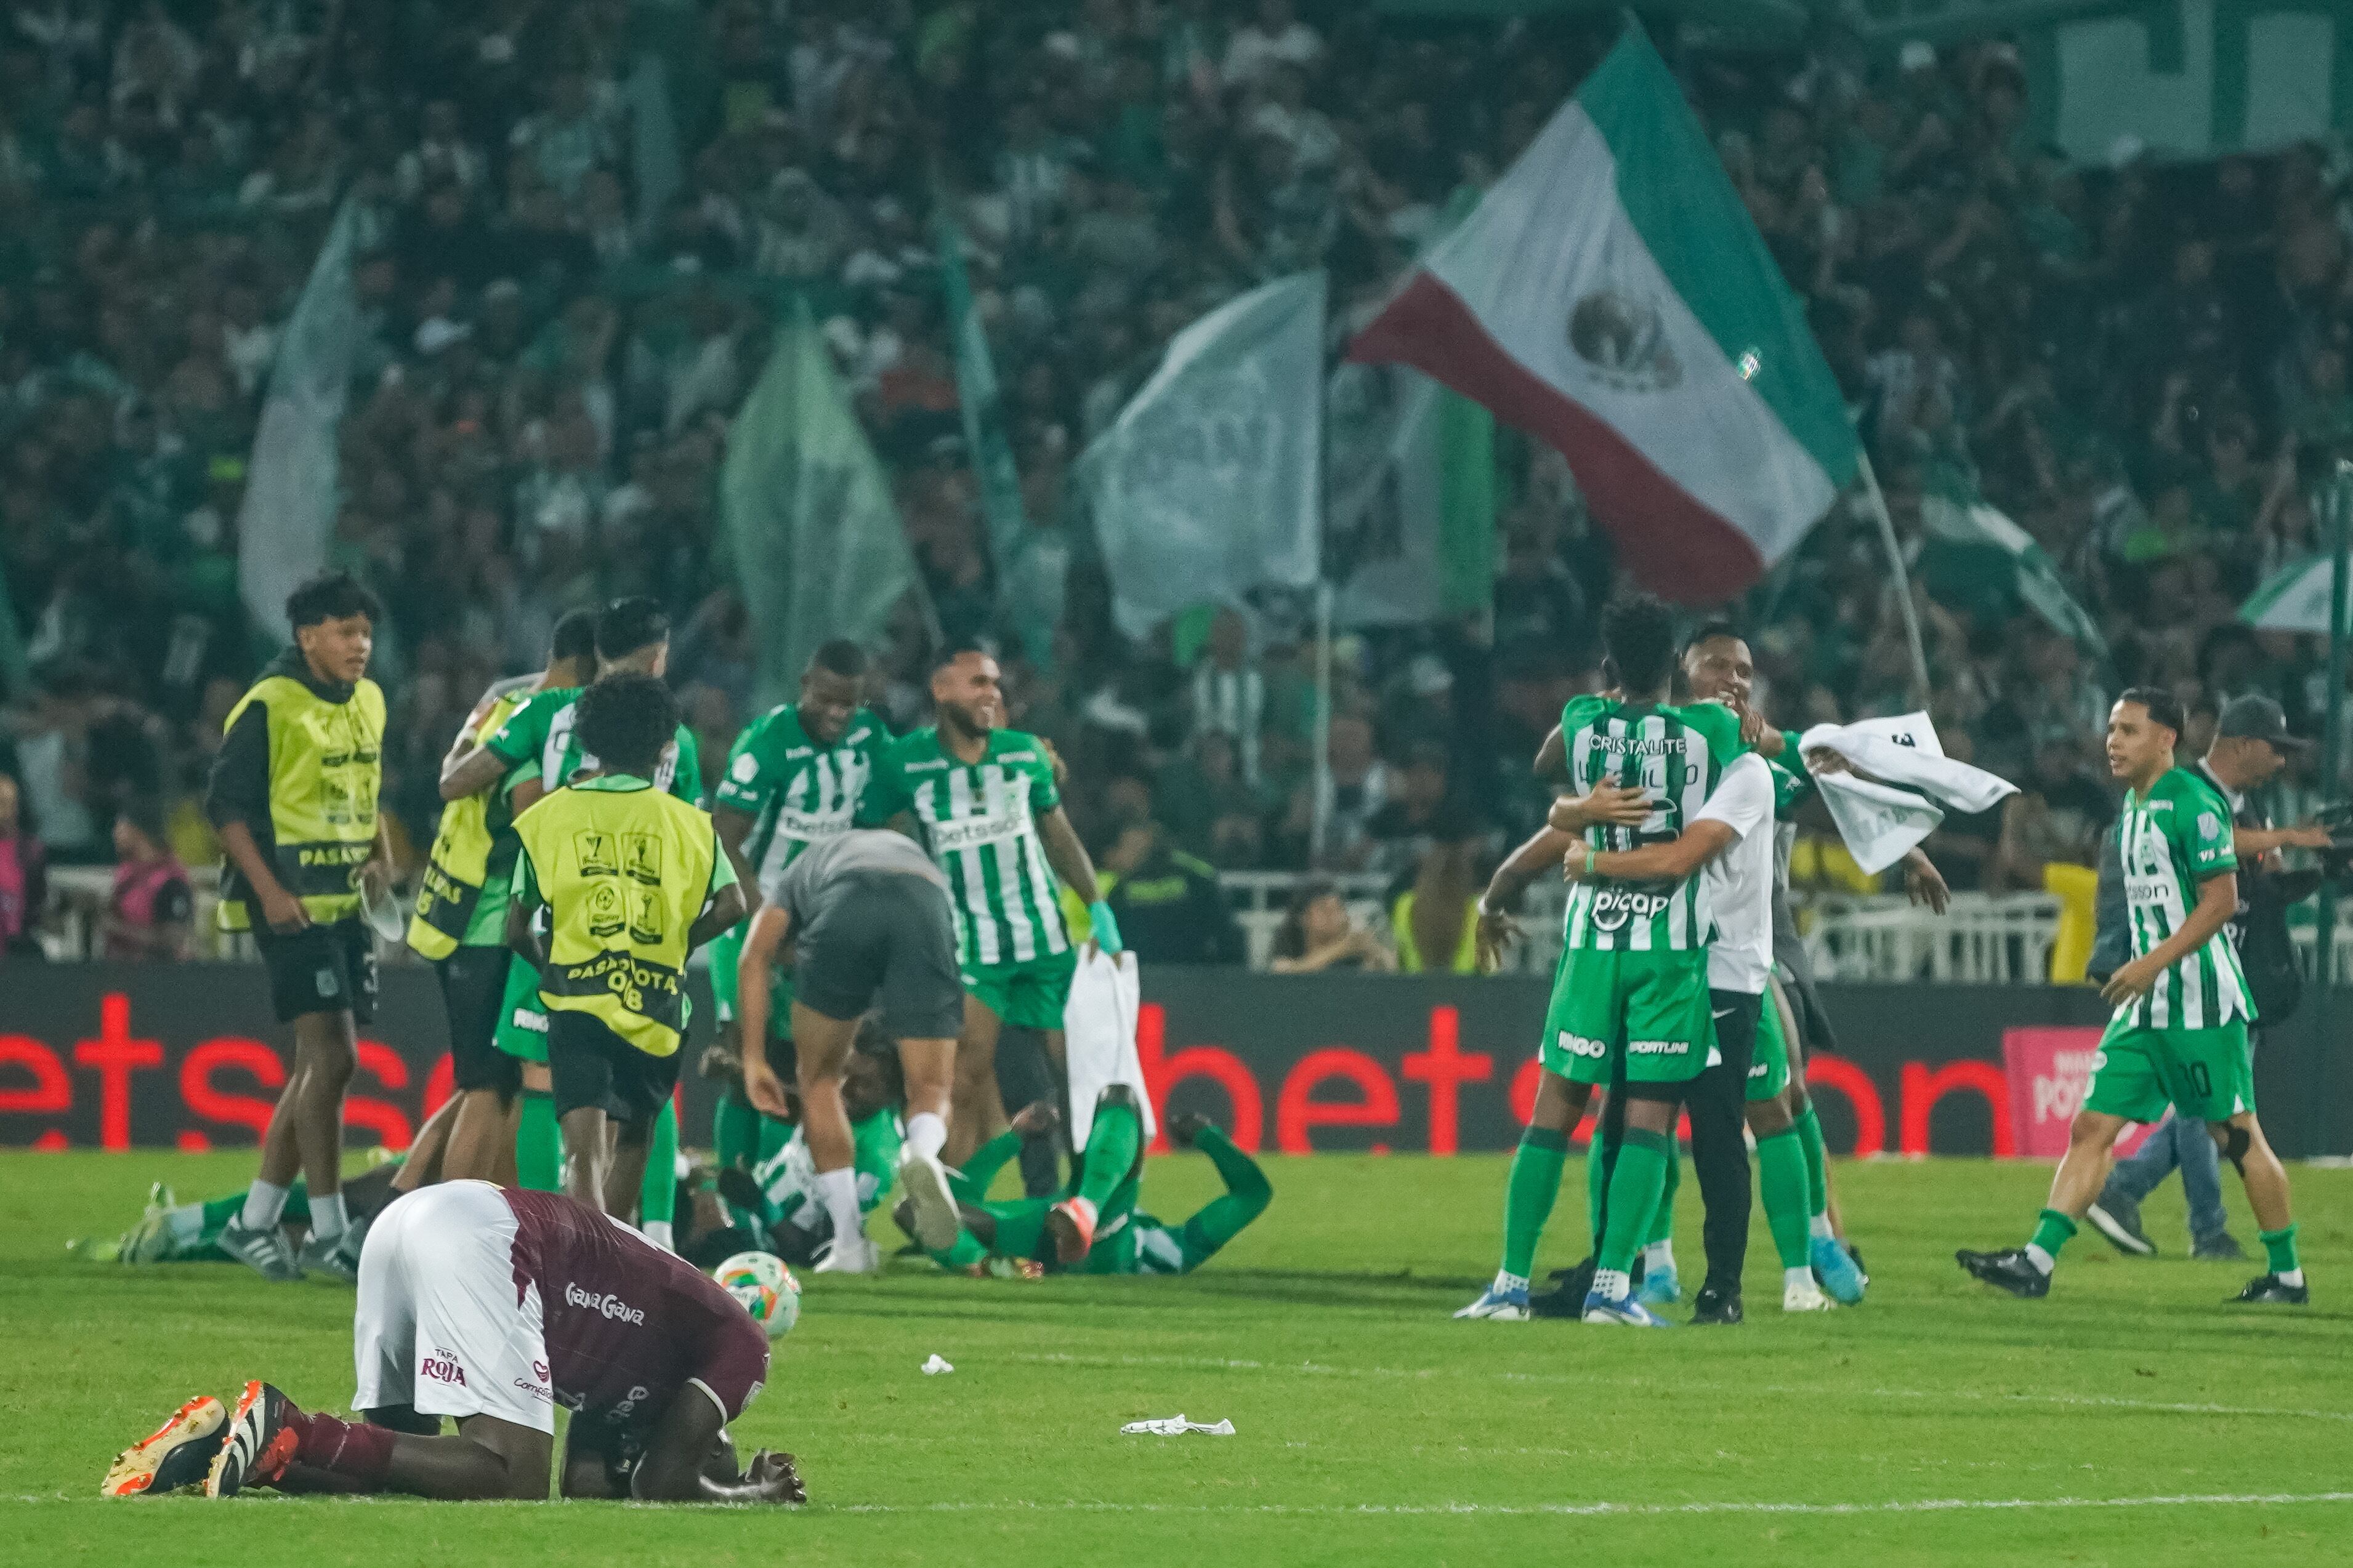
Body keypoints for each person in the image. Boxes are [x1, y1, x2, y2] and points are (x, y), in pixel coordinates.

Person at [102, 1183, 802, 1504]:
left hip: (418, 1223)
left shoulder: (629, 1384)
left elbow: (589, 1483)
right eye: (720, 1444)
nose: (716, 1444)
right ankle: (292, 1427)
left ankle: (234, 1451)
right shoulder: (740, 1343)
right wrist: (746, 1493)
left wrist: (678, 1478)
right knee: (511, 1475)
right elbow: (665, 1480)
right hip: (489, 1238)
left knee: (401, 1475)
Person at [1958, 687, 2308, 1305]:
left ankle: (2286, 1276)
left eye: (2128, 731)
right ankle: (2034, 1262)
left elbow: (2221, 900)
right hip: (2145, 1003)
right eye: (2111, 729)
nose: (2111, 741)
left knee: (2235, 1136)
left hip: (2198, 998)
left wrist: (2146, 964)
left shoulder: (2193, 804)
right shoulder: (2134, 810)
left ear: (2165, 739)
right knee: (2091, 1125)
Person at [1455, 593, 1744, 1327]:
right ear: (1675, 671)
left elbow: (1545, 760)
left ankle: (1508, 1285)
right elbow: (1753, 748)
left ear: (1610, 665)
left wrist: (1578, 809)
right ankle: (1612, 1291)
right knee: (1647, 1122)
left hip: (1593, 944)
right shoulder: (1709, 728)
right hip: (1669, 952)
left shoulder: (1584, 721)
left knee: (1553, 1114)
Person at [446, 597, 706, 1245]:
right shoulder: (675, 736)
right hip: (646, 933)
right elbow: (689, 836)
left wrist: (489, 735)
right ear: (659, 655)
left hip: (554, 924)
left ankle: (545, 1236)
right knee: (648, 1081)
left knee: (542, 1080)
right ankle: (656, 1234)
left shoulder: (541, 712)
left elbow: (457, 782)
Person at [862, 648, 1120, 1191]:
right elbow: (876, 838)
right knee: (964, 1076)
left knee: (1075, 1076)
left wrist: (1098, 907)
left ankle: (1082, 1201)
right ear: (940, 689)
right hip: (971, 947)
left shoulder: (1025, 754)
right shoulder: (902, 764)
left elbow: (1058, 834)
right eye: (978, 682)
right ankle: (948, 1205)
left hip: (1046, 942)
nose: (992, 693)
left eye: (996, 684)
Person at [2085, 694, 2329, 1261]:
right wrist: (2286, 838)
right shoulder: (2185, 790)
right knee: (2210, 1112)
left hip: (2217, 973)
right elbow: (2205, 858)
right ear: (2244, 743)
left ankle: (2120, 1194)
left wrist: (2305, 874)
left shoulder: (2243, 807)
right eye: (2276, 748)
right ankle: (2209, 1231)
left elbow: (2246, 888)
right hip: (2176, 977)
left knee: (2202, 1110)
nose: (2282, 762)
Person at [205, 572, 394, 1284]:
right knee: (334, 1058)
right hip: (292, 904)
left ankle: (252, 1222)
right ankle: (328, 1232)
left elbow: (367, 788)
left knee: (317, 1067)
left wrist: (380, 856)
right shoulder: (269, 704)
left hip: (345, 905)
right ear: (306, 635)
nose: (360, 647)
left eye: (366, 634)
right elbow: (225, 809)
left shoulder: (369, 701)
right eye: (346, 633)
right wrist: (271, 892)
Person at [506, 673, 745, 1229]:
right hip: (656, 1001)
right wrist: (677, 944)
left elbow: (515, 926)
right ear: (666, 747)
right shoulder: (691, 824)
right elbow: (733, 904)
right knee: (635, 1138)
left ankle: (588, 1268)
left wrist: (554, 966)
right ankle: (613, 1268)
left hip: (576, 997)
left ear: (588, 742)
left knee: (583, 1156)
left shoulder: (547, 817)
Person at [408, 609, 598, 1184]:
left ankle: (403, 1196)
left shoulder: (500, 703)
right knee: (492, 1086)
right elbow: (530, 817)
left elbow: (450, 775)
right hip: (491, 917)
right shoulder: (542, 725)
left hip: (451, 905)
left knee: (491, 1084)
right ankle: (456, 1219)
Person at [706, 640, 891, 1216]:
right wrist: (771, 925)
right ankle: (734, 1197)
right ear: (806, 682)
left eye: (851, 704)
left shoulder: (870, 741)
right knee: (747, 1062)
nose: (839, 713)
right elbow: (724, 837)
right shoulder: (765, 745)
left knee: (805, 1063)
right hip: (752, 924)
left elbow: (888, 815)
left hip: (825, 930)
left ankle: (774, 1201)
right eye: (829, 700)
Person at [731, 826, 964, 1274]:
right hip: (925, 900)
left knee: (819, 1079)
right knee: (931, 1086)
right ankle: (920, 1152)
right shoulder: (903, 854)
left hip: (844, 902)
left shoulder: (795, 877)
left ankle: (848, 1242)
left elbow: (754, 956)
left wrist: (754, 1058)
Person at [913, 1093, 1270, 1277]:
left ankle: (982, 1262)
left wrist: (1013, 1140)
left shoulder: (1172, 1249)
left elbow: (954, 1198)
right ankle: (1082, 1213)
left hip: (1044, 1242)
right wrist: (1209, 1137)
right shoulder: (1175, 1250)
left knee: (922, 1213)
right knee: (1122, 1099)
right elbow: (1253, 1194)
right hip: (1097, 1247)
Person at [704, 1028, 905, 1269]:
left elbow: (816, 1248)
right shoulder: (842, 1109)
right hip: (749, 1208)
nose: (846, 1088)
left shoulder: (875, 1161)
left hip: (762, 1240)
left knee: (693, 1224)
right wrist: (735, 1071)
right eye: (845, 1074)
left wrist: (758, 1203)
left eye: (864, 1083)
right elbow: (794, 1105)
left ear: (892, 1093)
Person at [103, 797, 194, 961]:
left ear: (138, 830)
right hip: (122, 972)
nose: (115, 832)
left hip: (157, 975)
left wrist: (116, 928)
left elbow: (174, 938)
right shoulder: (126, 874)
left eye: (120, 826)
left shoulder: (169, 880)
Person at [1267, 880, 1393, 973]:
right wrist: (1342, 948)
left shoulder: (1354, 958)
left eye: (1338, 908)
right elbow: (1285, 974)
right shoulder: (1289, 951)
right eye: (1323, 909)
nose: (1333, 915)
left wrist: (1374, 951)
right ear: (1303, 918)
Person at [0, 772, 46, 957]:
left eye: (4, 802)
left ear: (16, 806)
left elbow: (39, 899)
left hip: (18, 948)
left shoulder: (32, 851)